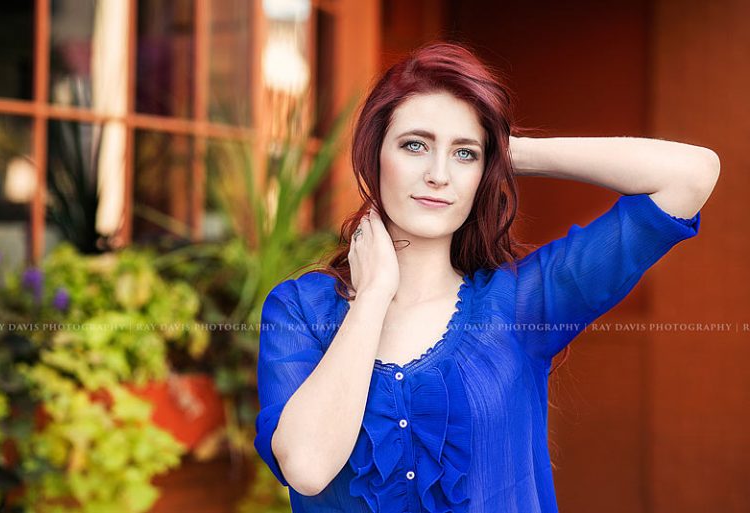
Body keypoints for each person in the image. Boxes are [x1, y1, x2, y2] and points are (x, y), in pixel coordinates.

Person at [253, 41, 719, 512]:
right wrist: (372, 296)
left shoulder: (524, 302)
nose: (438, 174)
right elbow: (307, 468)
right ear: (375, 155)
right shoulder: (300, 310)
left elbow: (692, 174)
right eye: (415, 145)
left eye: (463, 154)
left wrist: (503, 151)